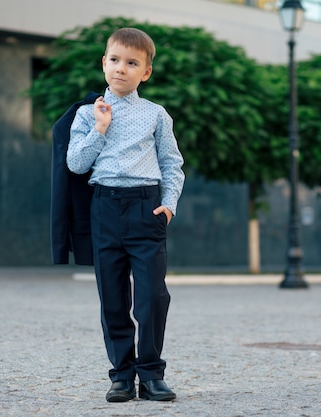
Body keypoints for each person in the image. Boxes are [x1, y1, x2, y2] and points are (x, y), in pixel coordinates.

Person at [66, 27, 185, 402]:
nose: (121, 68)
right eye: (115, 60)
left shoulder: (156, 115)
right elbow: (75, 164)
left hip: (146, 208)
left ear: (145, 72)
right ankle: (121, 375)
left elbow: (171, 163)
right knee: (113, 297)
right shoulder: (88, 114)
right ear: (104, 63)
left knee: (152, 296)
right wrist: (100, 129)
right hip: (104, 208)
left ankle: (151, 374)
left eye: (132, 63)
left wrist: (169, 205)